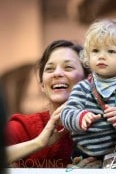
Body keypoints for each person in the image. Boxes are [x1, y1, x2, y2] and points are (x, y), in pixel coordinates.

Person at [60, 19, 116, 168]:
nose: (101, 56)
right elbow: (66, 114)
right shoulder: (83, 88)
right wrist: (79, 117)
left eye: (111, 51)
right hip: (83, 154)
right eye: (95, 51)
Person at [5, 39, 99, 168]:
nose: (57, 73)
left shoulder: (105, 128)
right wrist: (39, 142)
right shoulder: (21, 128)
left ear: (88, 81)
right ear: (43, 85)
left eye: (68, 67)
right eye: (49, 69)